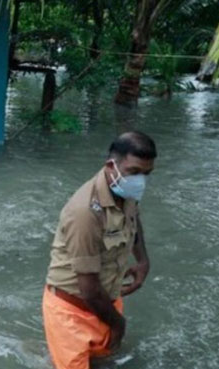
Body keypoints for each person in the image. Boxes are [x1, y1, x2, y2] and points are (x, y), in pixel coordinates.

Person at [42, 131, 156, 369]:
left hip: (107, 302)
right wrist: (119, 325)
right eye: (134, 172)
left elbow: (134, 217)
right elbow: (88, 288)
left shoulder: (126, 191)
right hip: (71, 313)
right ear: (111, 166)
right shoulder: (85, 212)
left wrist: (143, 261)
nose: (140, 180)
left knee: (105, 362)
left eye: (147, 174)